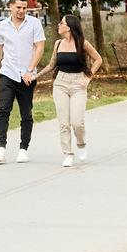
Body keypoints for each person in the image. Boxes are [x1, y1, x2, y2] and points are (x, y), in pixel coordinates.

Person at [0, 0, 45, 164]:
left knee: (26, 113)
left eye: (24, 8)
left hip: (27, 76)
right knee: (3, 109)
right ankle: (1, 147)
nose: (21, 11)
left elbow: (40, 48)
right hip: (8, 73)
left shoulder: (34, 24)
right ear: (10, 7)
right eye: (18, 7)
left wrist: (30, 70)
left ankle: (23, 149)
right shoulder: (2, 26)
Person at [49, 14, 103, 167]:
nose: (59, 25)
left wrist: (88, 78)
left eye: (62, 23)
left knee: (77, 122)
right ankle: (67, 154)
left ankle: (81, 143)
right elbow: (51, 65)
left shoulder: (82, 43)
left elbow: (98, 59)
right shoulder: (58, 43)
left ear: (70, 27)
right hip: (60, 83)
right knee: (64, 123)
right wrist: (34, 74)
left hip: (78, 84)